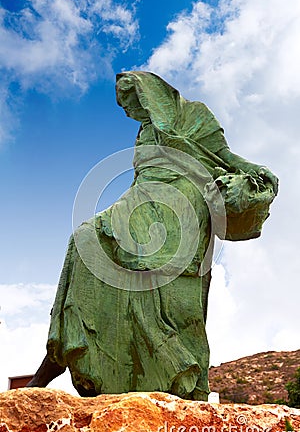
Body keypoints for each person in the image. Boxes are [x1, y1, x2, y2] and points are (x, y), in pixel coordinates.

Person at [28, 71, 278, 399]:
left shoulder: (195, 117)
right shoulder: (144, 131)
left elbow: (227, 159)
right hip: (142, 198)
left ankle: (170, 365)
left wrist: (259, 174)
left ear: (149, 94)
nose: (128, 109)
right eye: (123, 104)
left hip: (183, 199)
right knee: (85, 238)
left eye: (130, 100)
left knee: (153, 277)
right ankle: (81, 349)